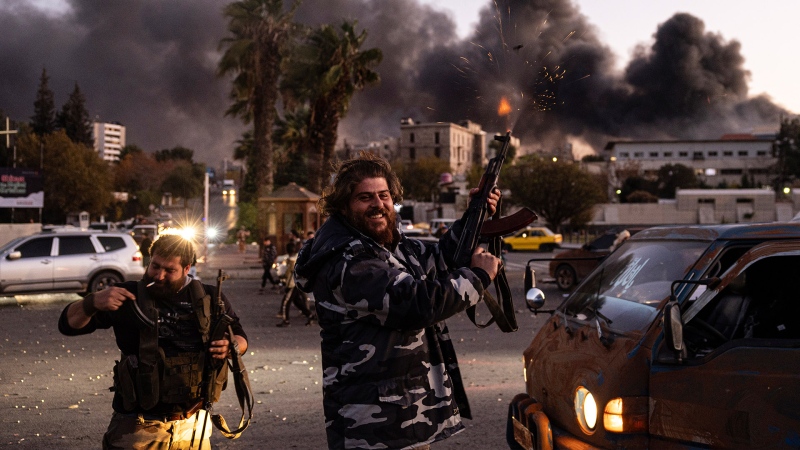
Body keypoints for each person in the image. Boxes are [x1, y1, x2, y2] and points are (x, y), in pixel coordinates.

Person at [294, 152, 501, 449]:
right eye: (365, 197)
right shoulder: (348, 260)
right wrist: (479, 277)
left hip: (403, 415)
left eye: (384, 195)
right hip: (375, 429)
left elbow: (441, 258)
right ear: (344, 205)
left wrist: (474, 215)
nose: (378, 204)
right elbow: (417, 304)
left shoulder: (385, 245)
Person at [58, 234, 249, 449]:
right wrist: (92, 303)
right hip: (138, 428)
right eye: (155, 266)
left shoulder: (210, 298)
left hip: (194, 426)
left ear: (187, 268)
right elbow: (67, 324)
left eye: (169, 270)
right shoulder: (127, 295)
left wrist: (231, 347)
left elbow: (241, 338)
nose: (158, 275)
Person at [275, 241, 316, 327]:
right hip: (298, 282)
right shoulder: (298, 258)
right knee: (297, 301)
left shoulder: (291, 261)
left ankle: (286, 320)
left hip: (292, 284)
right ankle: (310, 315)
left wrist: (285, 283)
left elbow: (288, 274)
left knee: (286, 301)